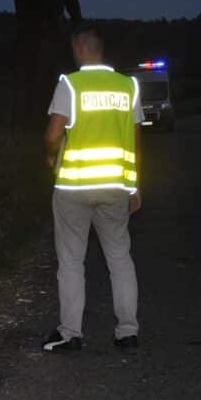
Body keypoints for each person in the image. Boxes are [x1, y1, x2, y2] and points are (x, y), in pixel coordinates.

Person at [42, 24, 144, 351]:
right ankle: (127, 331)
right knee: (120, 258)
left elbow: (52, 134)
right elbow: (135, 139)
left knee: (72, 260)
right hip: (116, 186)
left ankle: (70, 334)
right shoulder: (129, 86)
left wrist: (49, 156)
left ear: (81, 49)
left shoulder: (70, 85)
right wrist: (135, 186)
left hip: (74, 187)